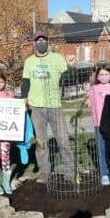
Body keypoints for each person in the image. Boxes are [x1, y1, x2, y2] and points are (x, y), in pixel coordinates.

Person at [21, 31, 74, 183]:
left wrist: (70, 66)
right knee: (41, 142)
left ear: (48, 42)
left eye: (44, 40)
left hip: (54, 106)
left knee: (63, 140)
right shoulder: (29, 61)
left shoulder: (57, 58)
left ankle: (70, 172)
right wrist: (24, 98)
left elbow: (67, 77)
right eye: (38, 40)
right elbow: (25, 82)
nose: (41, 42)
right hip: (36, 107)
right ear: (34, 43)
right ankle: (45, 172)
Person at [87, 64, 110, 186]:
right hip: (99, 124)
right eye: (101, 74)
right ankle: (104, 174)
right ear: (97, 76)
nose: (104, 76)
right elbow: (89, 103)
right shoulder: (93, 89)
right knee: (101, 148)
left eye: (106, 74)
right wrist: (88, 101)